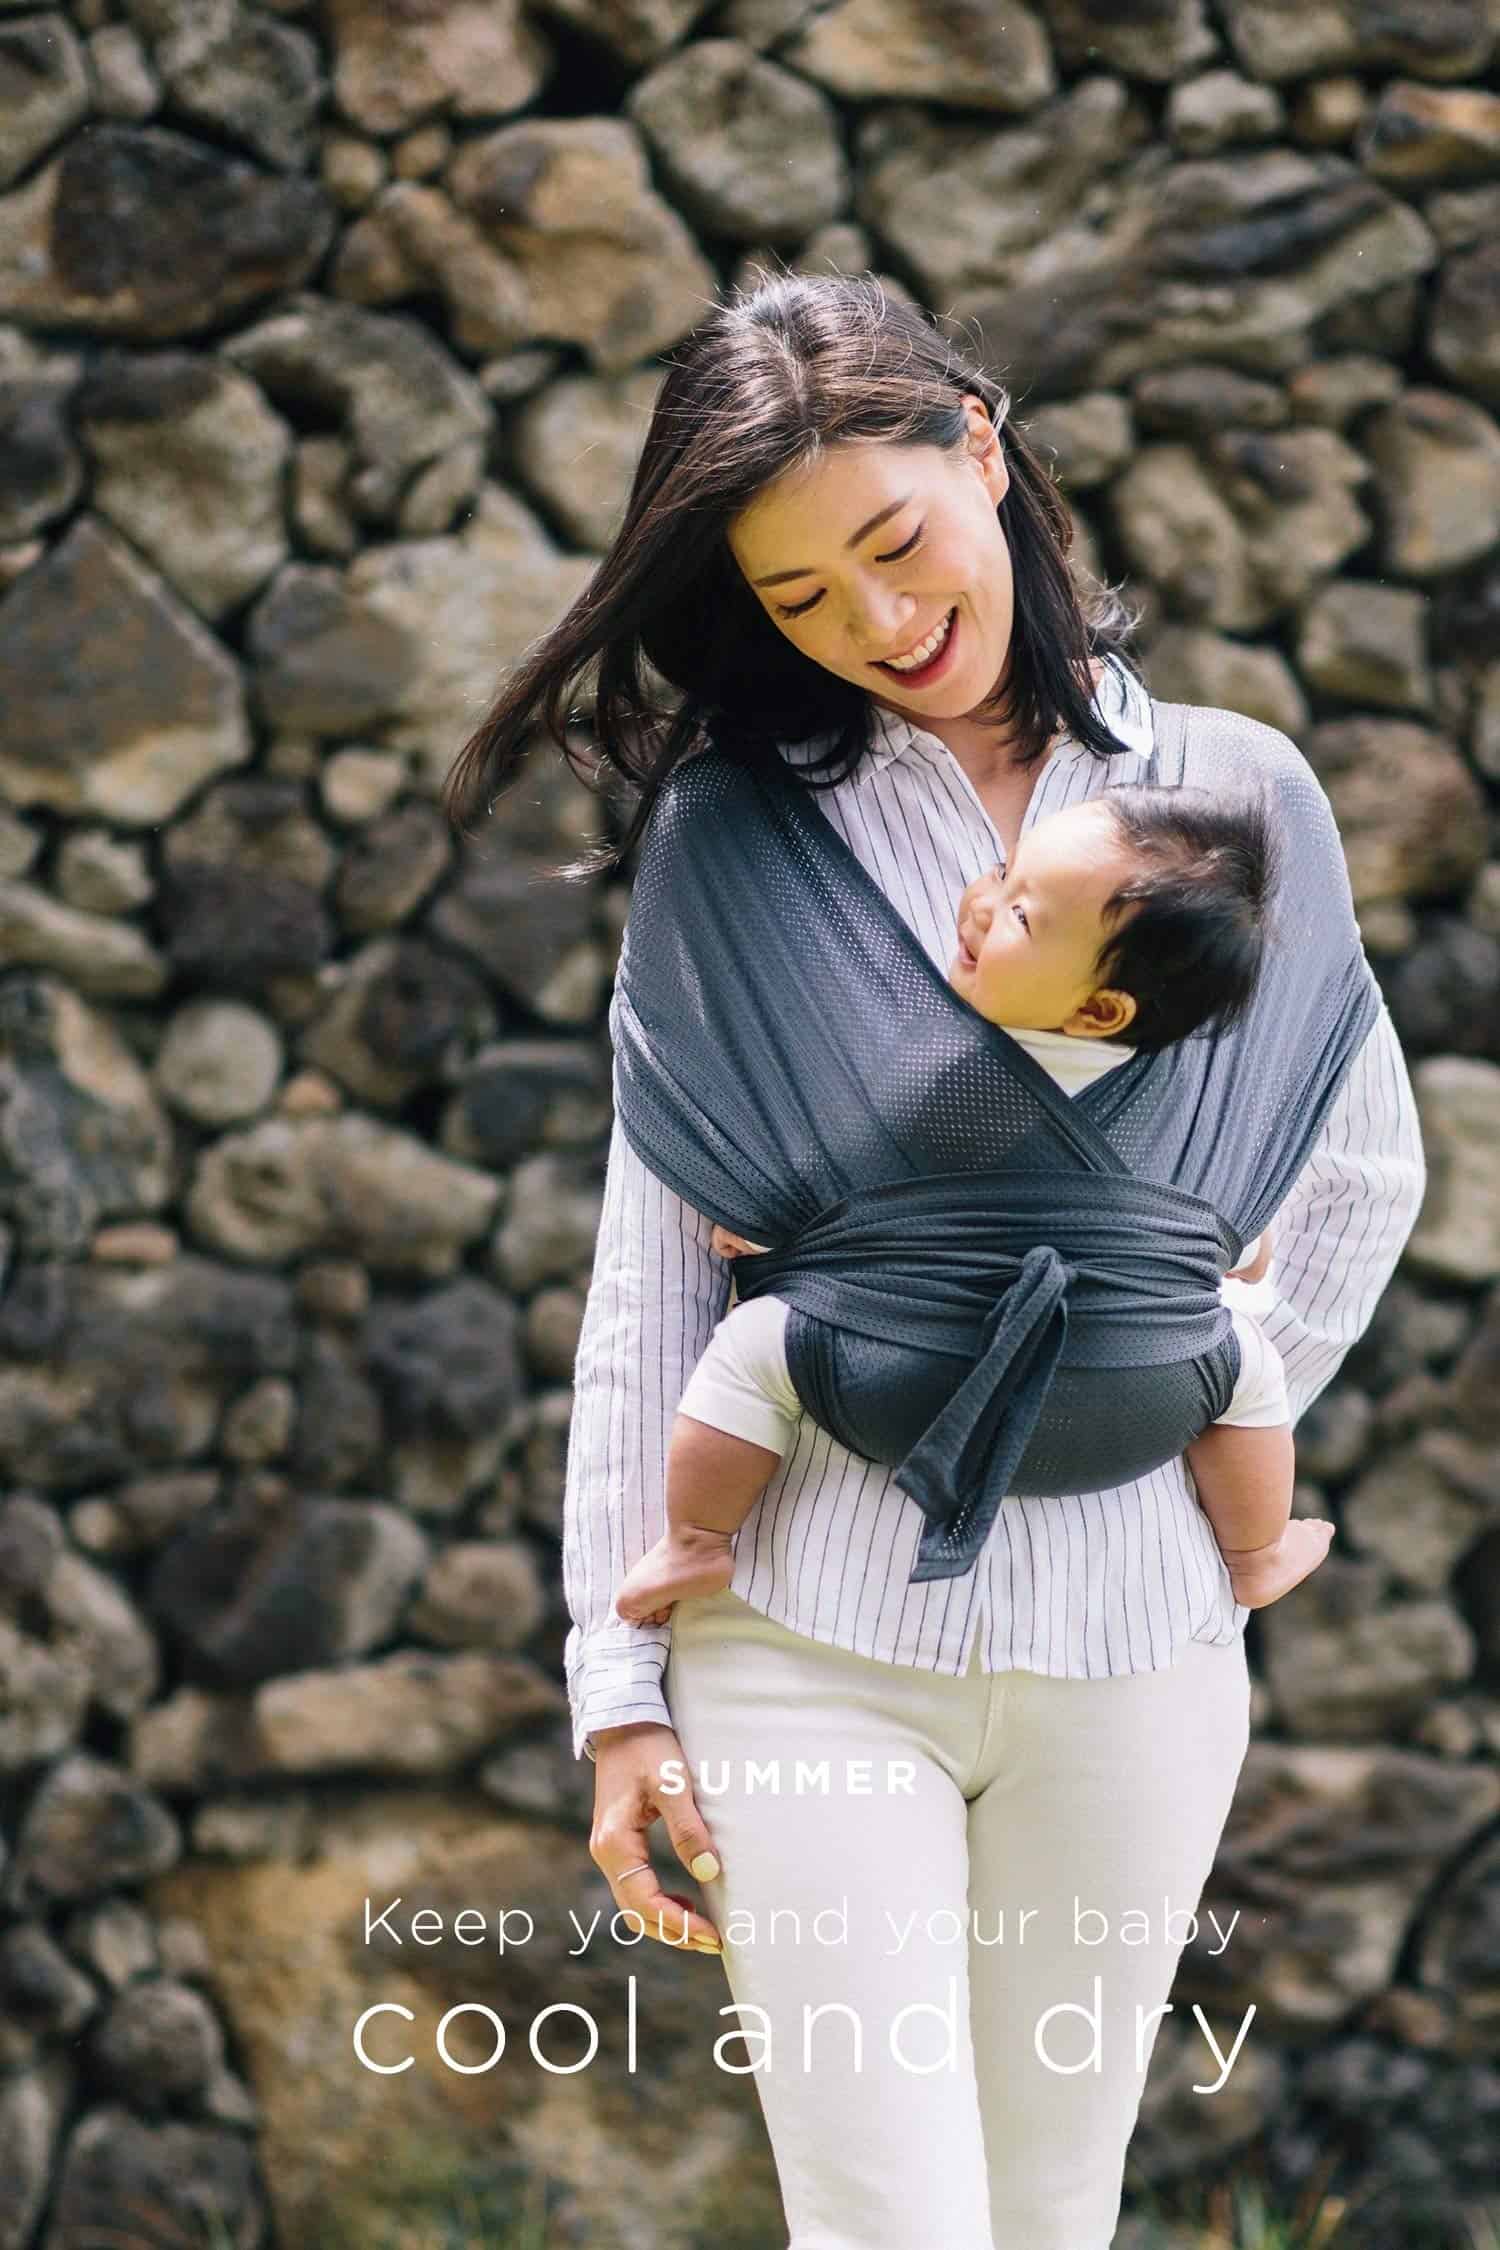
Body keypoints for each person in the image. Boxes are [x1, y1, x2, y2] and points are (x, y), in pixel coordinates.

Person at [442, 274, 1425, 2250]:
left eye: (895, 545)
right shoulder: (740, 840)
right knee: (887, 2220)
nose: (881, 626)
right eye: (805, 599)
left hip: (1136, 1652)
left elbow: (1365, 1173)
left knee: (1051, 2213)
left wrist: (1151, 1379)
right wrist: (618, 1691)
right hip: (804, 1644)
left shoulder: (1231, 808)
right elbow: (655, 1289)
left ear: (980, 447)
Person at [611, 784, 1336, 1636]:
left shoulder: (939, 1073)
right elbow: (1224, 1235)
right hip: (1148, 1396)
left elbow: (824, 1181)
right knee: (1251, 1366)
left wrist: (766, 1225)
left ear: (1097, 1008)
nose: (981, 905)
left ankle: (698, 1538)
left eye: (1021, 914)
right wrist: (1243, 1252)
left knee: (750, 1350)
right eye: (1001, 872)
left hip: (899, 1381)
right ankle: (1255, 1553)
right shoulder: (1187, 1103)